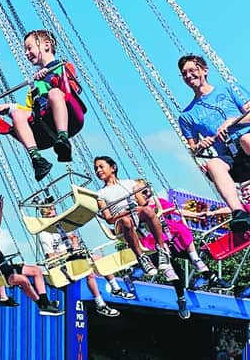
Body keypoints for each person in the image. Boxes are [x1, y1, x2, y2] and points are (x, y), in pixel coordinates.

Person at [177, 54, 250, 234]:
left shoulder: (229, 90)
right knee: (213, 164)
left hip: (246, 138)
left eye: (192, 70)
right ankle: (238, 212)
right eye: (184, 73)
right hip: (231, 156)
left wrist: (232, 122)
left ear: (204, 70)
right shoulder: (187, 115)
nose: (189, 76)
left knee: (245, 139)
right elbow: (193, 148)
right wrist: (201, 144)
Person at [0, 30, 80, 181]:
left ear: (46, 45)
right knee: (17, 114)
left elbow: (73, 87)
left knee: (54, 93)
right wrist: (11, 108)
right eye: (25, 50)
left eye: (29, 48)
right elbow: (29, 110)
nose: (27, 53)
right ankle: (37, 159)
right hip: (43, 120)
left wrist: (52, 75)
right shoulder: (35, 86)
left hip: (66, 110)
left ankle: (63, 138)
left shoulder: (63, 66)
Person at [0, 195, 64, 316]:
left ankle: (45, 302)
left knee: (36, 270)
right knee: (23, 280)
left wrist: (0, 209)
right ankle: (41, 304)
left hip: (6, 268)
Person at [94, 156, 177, 281]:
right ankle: (141, 257)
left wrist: (142, 193)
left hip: (136, 214)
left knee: (148, 211)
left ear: (113, 168)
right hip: (120, 221)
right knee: (126, 220)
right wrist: (124, 213)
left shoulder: (129, 184)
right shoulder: (101, 194)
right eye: (96, 168)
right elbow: (109, 218)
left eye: (101, 166)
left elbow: (143, 204)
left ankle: (161, 249)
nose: (98, 170)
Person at [38, 209, 134, 318]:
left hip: (74, 256)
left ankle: (116, 288)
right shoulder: (44, 234)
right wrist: (68, 251)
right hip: (61, 263)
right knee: (89, 272)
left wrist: (74, 244)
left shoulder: (62, 226)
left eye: (55, 216)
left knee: (99, 260)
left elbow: (74, 239)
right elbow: (51, 256)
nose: (55, 219)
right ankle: (100, 304)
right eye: (51, 217)